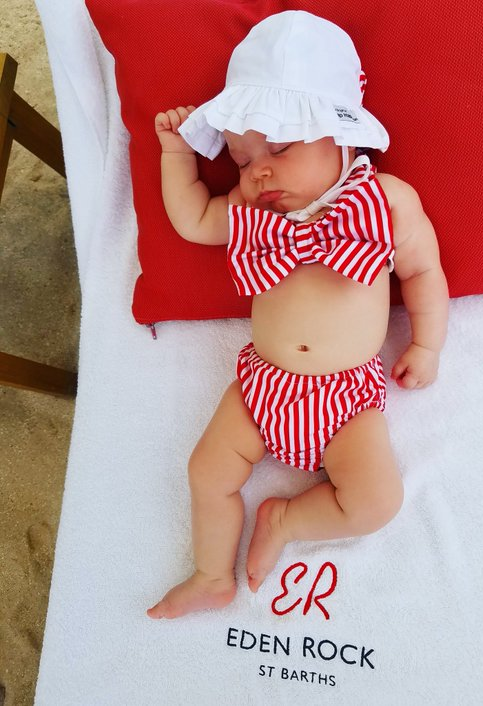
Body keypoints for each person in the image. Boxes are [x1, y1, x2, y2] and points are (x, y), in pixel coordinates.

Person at [147, 10, 448, 619]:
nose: (258, 169)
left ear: (340, 133)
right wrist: (176, 155)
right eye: (240, 158)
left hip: (347, 401)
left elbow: (423, 272)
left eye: (280, 147)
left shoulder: (385, 203)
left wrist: (427, 344)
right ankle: (211, 575)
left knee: (377, 501)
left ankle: (286, 520)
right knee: (206, 472)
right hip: (263, 388)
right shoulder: (252, 209)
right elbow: (194, 220)